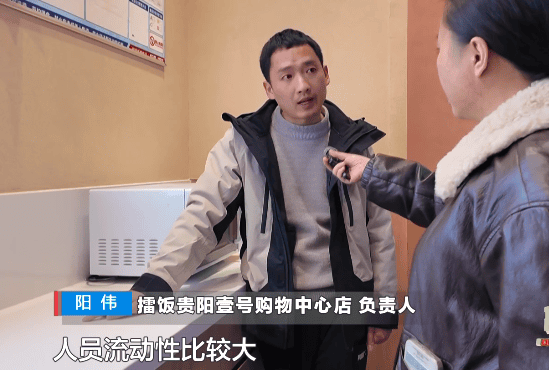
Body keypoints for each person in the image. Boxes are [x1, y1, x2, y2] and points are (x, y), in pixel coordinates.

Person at [324, 0, 549, 369]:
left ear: (477, 55)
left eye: (440, 48)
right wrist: (373, 172)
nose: (438, 62)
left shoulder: (538, 192)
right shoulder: (535, 162)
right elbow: (475, 217)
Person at [130, 28, 398, 370]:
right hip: (274, 311)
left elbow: (379, 229)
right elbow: (203, 215)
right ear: (269, 89)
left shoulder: (355, 141)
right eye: (287, 76)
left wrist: (383, 306)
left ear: (326, 74)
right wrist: (155, 283)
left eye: (311, 70)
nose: (302, 85)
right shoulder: (243, 143)